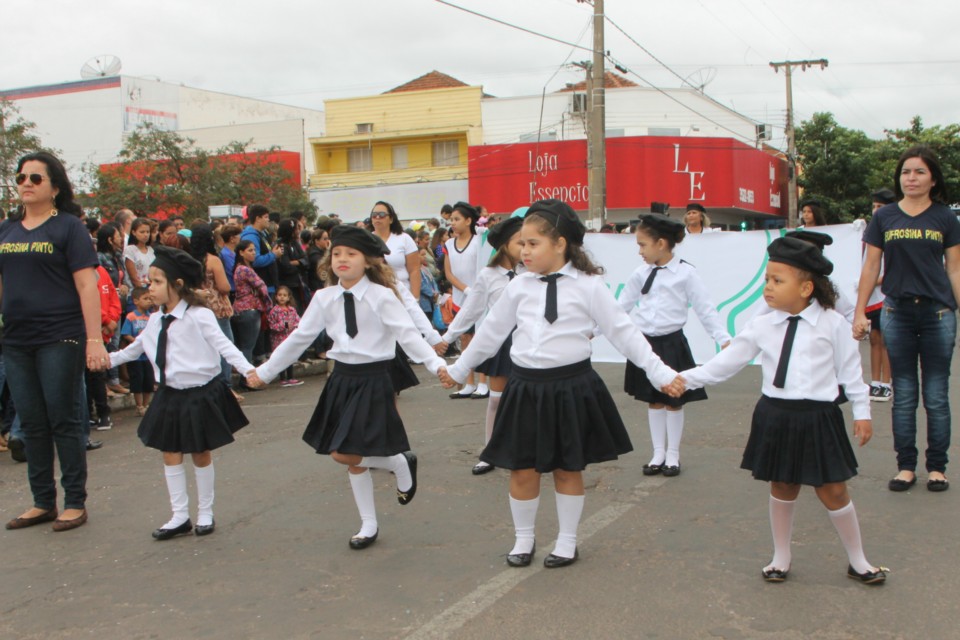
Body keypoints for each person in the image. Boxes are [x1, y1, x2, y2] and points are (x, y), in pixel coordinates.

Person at [439, 199, 679, 568]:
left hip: (571, 386)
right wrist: (459, 369)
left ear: (560, 244)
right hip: (525, 387)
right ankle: (523, 539)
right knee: (522, 468)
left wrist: (661, 373)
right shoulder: (518, 287)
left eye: (533, 243)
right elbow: (490, 333)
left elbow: (624, 333)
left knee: (568, 468)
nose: (524, 251)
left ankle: (567, 541)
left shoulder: (589, 286)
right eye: (522, 243)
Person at [677, 237, 886, 584]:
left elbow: (851, 373)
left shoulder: (833, 324)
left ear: (806, 288)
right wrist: (682, 379)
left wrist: (862, 413)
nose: (768, 288)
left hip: (819, 417)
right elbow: (725, 364)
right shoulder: (762, 325)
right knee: (782, 485)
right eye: (767, 280)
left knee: (833, 490)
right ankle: (781, 557)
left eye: (778, 281)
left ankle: (858, 560)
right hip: (776, 414)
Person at [247, 225, 449, 550]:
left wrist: (437, 365)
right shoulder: (324, 297)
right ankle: (369, 521)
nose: (342, 259)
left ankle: (398, 462)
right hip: (341, 379)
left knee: (344, 452)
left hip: (374, 379)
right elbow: (300, 337)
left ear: (368, 261)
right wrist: (266, 371)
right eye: (337, 253)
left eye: (351, 254)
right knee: (352, 457)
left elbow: (407, 335)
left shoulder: (383, 296)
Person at [109, 246, 255, 539]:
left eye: (157, 281)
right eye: (149, 281)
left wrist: (249, 369)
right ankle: (179, 516)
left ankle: (205, 512)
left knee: (200, 451)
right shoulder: (154, 321)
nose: (150, 287)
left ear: (177, 285)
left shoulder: (199, 315)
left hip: (200, 392)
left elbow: (224, 345)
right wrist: (99, 360)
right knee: (170, 451)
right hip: (170, 393)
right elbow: (130, 352)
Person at [1, 151, 106, 533]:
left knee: (64, 418)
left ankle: (74, 502)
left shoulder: (68, 228)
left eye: (35, 178)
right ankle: (42, 501)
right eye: (20, 178)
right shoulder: (7, 229)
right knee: (31, 421)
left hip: (60, 336)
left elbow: (86, 285)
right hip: (16, 340)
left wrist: (94, 339)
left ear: (55, 187)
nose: (25, 183)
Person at [853, 145, 960, 493]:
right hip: (896, 311)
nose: (911, 178)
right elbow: (871, 267)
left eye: (919, 172)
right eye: (905, 172)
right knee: (905, 392)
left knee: (936, 393)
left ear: (933, 179)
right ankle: (906, 466)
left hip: (938, 313)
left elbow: (954, 269)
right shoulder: (884, 218)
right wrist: (859, 312)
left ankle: (937, 468)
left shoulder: (945, 218)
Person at [620, 213, 731, 477]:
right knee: (654, 401)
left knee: (673, 401)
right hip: (645, 345)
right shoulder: (640, 273)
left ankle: (673, 455)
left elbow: (705, 309)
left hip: (672, 343)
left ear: (661, 243)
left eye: (642, 245)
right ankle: (658, 453)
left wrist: (724, 339)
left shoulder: (685, 273)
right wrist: (593, 330)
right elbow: (620, 308)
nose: (640, 252)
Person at [441, 217, 524, 475]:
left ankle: (524, 450)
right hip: (500, 340)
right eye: (520, 242)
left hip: (530, 340)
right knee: (496, 399)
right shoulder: (488, 275)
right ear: (504, 246)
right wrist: (447, 337)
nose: (526, 247)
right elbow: (471, 310)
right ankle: (490, 452)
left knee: (527, 399)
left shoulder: (532, 271)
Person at [191, 223, 239, 399]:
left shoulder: (188, 259)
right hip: (216, 307)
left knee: (205, 348)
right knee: (225, 345)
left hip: (197, 306)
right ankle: (225, 387)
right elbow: (224, 286)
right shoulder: (213, 260)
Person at [444, 202, 487, 399]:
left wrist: (476, 290)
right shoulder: (447, 245)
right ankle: (469, 382)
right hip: (460, 298)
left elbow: (485, 265)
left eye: (457, 219)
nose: (452, 223)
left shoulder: (480, 240)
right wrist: (465, 289)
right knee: (465, 339)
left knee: (482, 338)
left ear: (469, 220)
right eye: (451, 219)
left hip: (479, 297)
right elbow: (448, 273)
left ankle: (483, 381)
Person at [863, 189, 896, 402]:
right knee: (874, 338)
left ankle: (887, 382)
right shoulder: (868, 232)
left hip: (886, 294)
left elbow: (892, 268)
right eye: (874, 206)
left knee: (886, 340)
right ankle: (874, 382)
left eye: (880, 207)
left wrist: (874, 280)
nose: (876, 211)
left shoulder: (894, 231)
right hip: (869, 296)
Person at [231, 239, 273, 376]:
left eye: (254, 250)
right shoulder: (244, 269)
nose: (254, 253)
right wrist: (268, 306)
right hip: (250, 310)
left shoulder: (239, 268)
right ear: (241, 252)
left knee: (244, 345)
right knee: (248, 346)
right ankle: (247, 377)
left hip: (240, 309)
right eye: (250, 250)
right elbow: (262, 287)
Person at [371, 201, 421, 300]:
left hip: (402, 295)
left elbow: (414, 270)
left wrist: (415, 299)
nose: (377, 217)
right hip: (375, 296)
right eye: (374, 215)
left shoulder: (404, 238)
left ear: (391, 219)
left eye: (382, 214)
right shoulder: (365, 239)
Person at [121, 287, 155, 416]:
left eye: (150, 299)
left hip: (148, 356)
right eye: (145, 299)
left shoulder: (151, 317)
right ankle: (139, 405)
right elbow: (125, 334)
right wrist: (137, 342)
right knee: (137, 380)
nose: (149, 301)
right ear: (135, 301)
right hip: (136, 356)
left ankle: (146, 405)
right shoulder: (131, 316)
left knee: (148, 380)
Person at [241, 204, 282, 294]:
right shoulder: (251, 236)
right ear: (258, 219)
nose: (268, 220)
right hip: (262, 286)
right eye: (266, 217)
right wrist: (273, 255)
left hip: (270, 284)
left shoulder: (263, 233)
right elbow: (254, 260)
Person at [267, 286, 303, 387]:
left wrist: (295, 326)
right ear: (276, 297)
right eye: (279, 295)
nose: (282, 297)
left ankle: (291, 377)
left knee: (290, 358)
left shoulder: (292, 310)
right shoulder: (274, 311)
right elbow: (272, 325)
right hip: (278, 339)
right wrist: (285, 325)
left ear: (288, 297)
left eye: (284, 295)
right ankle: (283, 378)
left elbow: (298, 321)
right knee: (281, 358)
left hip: (290, 338)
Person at [276, 218, 308, 313]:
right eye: (296, 229)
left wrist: (297, 262)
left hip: (298, 284)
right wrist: (300, 264)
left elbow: (306, 260)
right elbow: (286, 267)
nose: (298, 231)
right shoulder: (281, 245)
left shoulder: (294, 243)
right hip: (287, 285)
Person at [124, 217, 156, 289]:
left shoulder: (151, 250)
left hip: (151, 287)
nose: (145, 235)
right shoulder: (130, 250)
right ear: (134, 232)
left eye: (147, 232)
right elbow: (133, 277)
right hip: (138, 290)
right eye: (142, 232)